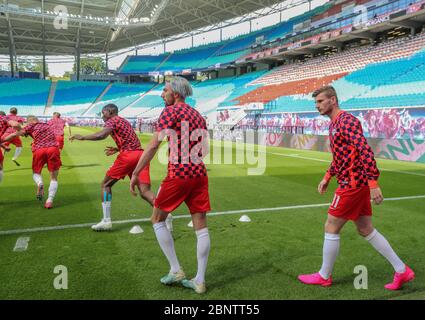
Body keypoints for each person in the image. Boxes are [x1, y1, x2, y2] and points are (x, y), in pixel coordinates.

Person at [298, 86, 414, 290]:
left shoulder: (347, 121)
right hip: (353, 183)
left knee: (331, 226)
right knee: (365, 228)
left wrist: (373, 183)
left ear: (332, 100)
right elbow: (341, 157)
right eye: (316, 102)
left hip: (352, 185)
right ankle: (402, 270)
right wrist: (327, 176)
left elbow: (364, 150)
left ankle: (324, 275)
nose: (317, 106)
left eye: (320, 101)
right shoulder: (334, 124)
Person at [130, 77, 211, 294]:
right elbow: (205, 149)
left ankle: (176, 270)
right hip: (200, 174)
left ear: (175, 93)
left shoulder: (170, 112)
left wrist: (136, 172)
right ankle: (200, 280)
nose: (161, 93)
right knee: (200, 226)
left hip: (179, 175)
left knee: (157, 219)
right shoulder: (198, 116)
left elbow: (153, 145)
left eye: (164, 90)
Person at [70, 104, 155, 231]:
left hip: (129, 156)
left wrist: (82, 137)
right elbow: (130, 139)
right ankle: (166, 215)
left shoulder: (112, 120)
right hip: (140, 155)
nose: (102, 115)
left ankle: (106, 221)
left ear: (110, 112)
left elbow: (101, 135)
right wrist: (118, 148)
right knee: (144, 191)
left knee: (106, 185)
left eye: (103, 112)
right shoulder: (123, 120)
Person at [2, 116, 61, 209]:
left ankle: (40, 183)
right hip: (53, 148)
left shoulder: (31, 126)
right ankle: (49, 201)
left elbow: (14, 135)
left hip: (39, 150)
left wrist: (2, 140)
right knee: (54, 178)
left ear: (30, 121)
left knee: (36, 172)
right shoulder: (48, 125)